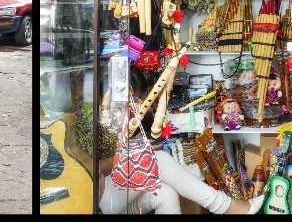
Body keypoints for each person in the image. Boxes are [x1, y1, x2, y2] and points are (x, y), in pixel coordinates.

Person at [99, 68, 260, 214]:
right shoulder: (93, 119)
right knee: (157, 160)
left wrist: (135, 146)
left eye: (136, 103)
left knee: (165, 193)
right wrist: (134, 153)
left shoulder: (118, 117)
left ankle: (227, 207)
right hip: (97, 200)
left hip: (119, 196)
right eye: (129, 103)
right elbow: (95, 168)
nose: (133, 110)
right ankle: (226, 207)